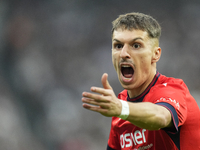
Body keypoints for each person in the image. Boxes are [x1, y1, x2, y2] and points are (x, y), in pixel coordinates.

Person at [81, 12, 200, 150]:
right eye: (118, 46)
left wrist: (121, 108)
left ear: (156, 54)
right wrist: (120, 108)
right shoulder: (120, 105)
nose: (124, 54)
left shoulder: (173, 89)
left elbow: (161, 116)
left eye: (136, 45)